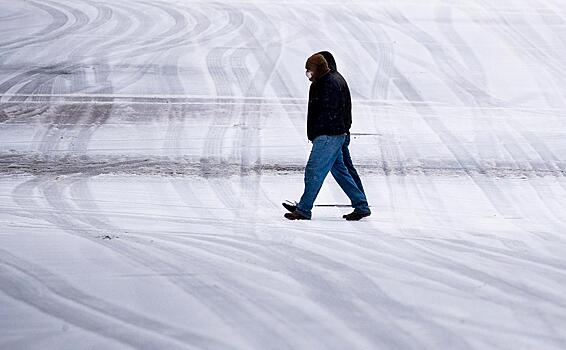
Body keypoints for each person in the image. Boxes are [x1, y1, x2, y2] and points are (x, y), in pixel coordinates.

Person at [283, 53, 371, 221]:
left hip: (329, 136)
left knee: (314, 171)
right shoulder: (327, 82)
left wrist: (328, 134)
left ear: (318, 69)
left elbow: (333, 113)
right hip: (333, 135)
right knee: (341, 171)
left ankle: (303, 209)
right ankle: (361, 205)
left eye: (309, 71)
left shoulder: (329, 84)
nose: (308, 75)